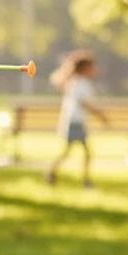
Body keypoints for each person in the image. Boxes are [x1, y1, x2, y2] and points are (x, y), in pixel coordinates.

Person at [45, 50, 104, 186]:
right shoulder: (81, 84)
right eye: (92, 67)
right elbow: (85, 104)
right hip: (75, 123)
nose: (95, 69)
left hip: (73, 122)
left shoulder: (74, 83)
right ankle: (85, 180)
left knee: (73, 152)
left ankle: (53, 173)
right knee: (85, 153)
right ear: (85, 69)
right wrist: (101, 116)